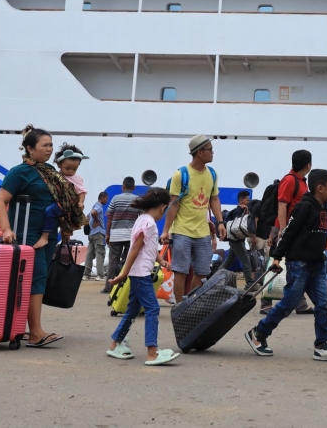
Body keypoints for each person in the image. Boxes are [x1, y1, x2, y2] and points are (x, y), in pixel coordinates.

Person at [0, 125, 85, 349]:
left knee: (39, 279)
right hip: (27, 233)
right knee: (36, 276)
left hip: (49, 233)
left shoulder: (50, 172)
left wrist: (65, 226)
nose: (49, 149)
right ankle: (35, 333)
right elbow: (1, 200)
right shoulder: (20, 171)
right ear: (29, 148)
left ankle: (29, 328)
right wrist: (6, 229)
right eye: (44, 145)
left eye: (51, 145)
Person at [246, 169, 327, 362]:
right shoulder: (304, 207)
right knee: (288, 304)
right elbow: (289, 232)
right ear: (320, 188)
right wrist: (276, 256)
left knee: (323, 304)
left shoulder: (324, 207)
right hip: (299, 264)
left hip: (317, 264)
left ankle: (322, 346)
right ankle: (258, 333)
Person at [105, 187, 180, 365]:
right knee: (153, 309)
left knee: (132, 311)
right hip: (141, 274)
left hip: (138, 274)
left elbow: (149, 247)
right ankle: (152, 353)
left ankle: (115, 344)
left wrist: (161, 260)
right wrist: (123, 273)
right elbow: (135, 249)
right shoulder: (149, 224)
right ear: (162, 207)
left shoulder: (142, 220)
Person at [160, 135, 226, 302]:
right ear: (200, 152)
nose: (213, 153)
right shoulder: (180, 175)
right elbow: (173, 204)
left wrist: (220, 222)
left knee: (203, 271)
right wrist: (166, 230)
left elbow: (214, 199)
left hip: (202, 232)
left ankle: (191, 302)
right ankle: (180, 307)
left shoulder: (212, 173)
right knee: (181, 271)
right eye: (210, 150)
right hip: (182, 231)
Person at [261, 150, 315, 314]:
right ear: (308, 165)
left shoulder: (301, 181)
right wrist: (282, 230)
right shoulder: (290, 180)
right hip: (285, 229)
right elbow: (282, 205)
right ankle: (265, 302)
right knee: (276, 264)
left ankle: (300, 304)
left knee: (294, 265)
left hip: (294, 230)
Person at [102, 177, 142, 293]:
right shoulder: (137, 200)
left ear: (123, 186)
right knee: (128, 260)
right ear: (133, 187)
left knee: (113, 261)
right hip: (131, 236)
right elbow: (142, 218)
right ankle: (124, 287)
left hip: (116, 235)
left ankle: (108, 287)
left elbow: (109, 217)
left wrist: (107, 234)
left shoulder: (115, 199)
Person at [223, 190, 257, 286]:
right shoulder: (238, 211)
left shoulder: (242, 210)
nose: (248, 202)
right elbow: (240, 225)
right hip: (236, 241)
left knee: (227, 262)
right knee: (246, 260)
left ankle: (214, 277)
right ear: (241, 200)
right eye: (247, 200)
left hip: (237, 240)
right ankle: (249, 283)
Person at [85, 191, 109, 280]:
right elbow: (93, 213)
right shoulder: (98, 207)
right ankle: (100, 275)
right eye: (106, 198)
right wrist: (97, 221)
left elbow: (87, 217)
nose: (107, 200)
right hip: (98, 233)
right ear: (102, 198)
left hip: (91, 234)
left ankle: (86, 274)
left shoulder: (94, 205)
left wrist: (91, 225)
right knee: (100, 254)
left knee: (89, 255)